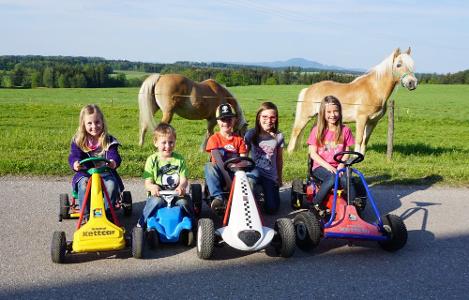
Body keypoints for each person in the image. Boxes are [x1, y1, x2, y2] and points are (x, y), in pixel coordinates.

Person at [68, 104, 124, 219]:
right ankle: (86, 215)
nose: (94, 126)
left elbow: (114, 154)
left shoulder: (109, 140)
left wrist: (113, 161)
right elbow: (74, 156)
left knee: (112, 185)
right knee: (84, 185)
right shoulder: (79, 141)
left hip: (105, 172)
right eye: (89, 123)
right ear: (83, 124)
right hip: (86, 173)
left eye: (97, 122)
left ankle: (107, 214)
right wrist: (76, 163)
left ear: (102, 122)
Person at [307, 95, 356, 213]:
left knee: (346, 179)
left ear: (340, 112)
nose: (332, 115)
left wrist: (341, 165)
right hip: (321, 166)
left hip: (339, 166)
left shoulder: (345, 130)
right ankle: (316, 204)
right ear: (323, 113)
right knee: (333, 178)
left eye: (335, 111)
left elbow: (347, 152)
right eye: (329, 112)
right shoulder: (317, 130)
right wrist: (329, 167)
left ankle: (353, 205)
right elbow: (313, 154)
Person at [137, 123, 190, 228]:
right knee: (156, 202)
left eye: (171, 142)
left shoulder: (179, 160)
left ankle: (193, 224)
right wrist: (152, 187)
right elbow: (148, 183)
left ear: (175, 142)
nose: (168, 146)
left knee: (184, 202)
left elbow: (184, 179)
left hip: (176, 194)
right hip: (159, 194)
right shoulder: (152, 160)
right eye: (164, 143)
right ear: (156, 143)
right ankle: (141, 223)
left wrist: (181, 186)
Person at [204, 103, 247, 210]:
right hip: (219, 173)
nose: (226, 123)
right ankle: (218, 198)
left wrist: (236, 170)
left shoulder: (239, 140)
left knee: (252, 172)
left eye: (229, 119)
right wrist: (228, 180)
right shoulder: (214, 139)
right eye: (223, 120)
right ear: (218, 121)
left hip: (235, 173)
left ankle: (247, 198)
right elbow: (217, 160)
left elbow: (244, 161)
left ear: (234, 120)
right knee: (209, 166)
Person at [244, 102, 284, 214]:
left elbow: (279, 159)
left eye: (272, 117)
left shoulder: (279, 136)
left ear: (276, 119)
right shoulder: (250, 134)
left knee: (272, 209)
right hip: (254, 171)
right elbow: (244, 156)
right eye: (264, 117)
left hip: (270, 176)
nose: (268, 120)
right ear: (258, 118)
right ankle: (249, 203)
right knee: (250, 180)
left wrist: (279, 179)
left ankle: (267, 193)